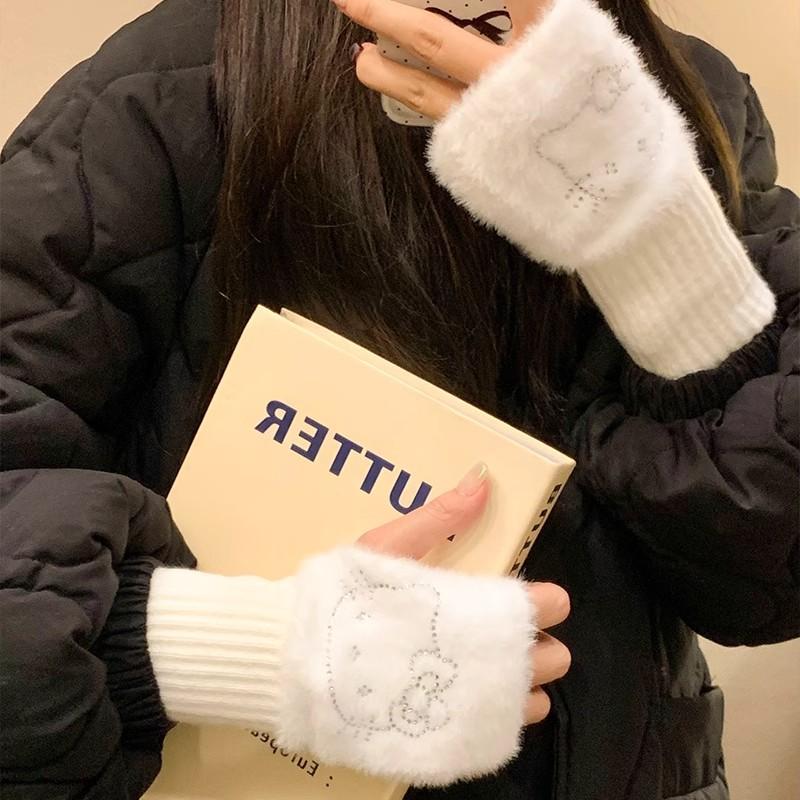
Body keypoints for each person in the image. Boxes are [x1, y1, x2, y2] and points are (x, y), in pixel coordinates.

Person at [1, 0, 797, 797]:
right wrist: (247, 649)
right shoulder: (159, 93)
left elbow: (764, 570)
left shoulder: (686, 97)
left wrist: (664, 255)